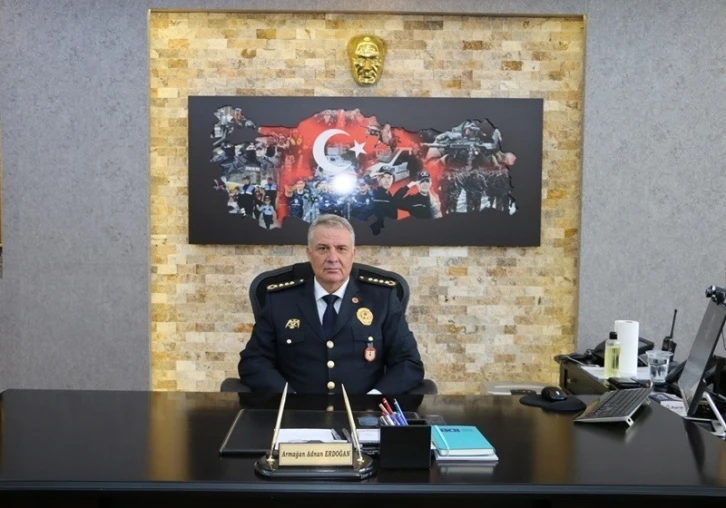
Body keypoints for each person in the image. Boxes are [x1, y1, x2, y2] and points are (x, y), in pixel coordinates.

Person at [238, 214, 425, 394]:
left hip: (364, 411)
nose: (332, 258)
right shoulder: (280, 300)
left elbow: (408, 363)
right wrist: (289, 399)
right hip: (297, 411)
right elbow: (254, 361)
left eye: (341, 248)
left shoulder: (381, 299)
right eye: (323, 249)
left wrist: (374, 399)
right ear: (309, 253)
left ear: (353, 254)